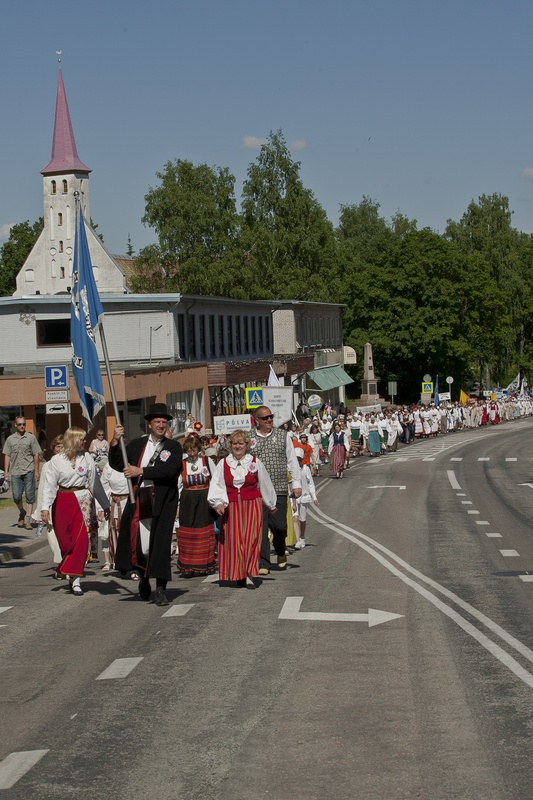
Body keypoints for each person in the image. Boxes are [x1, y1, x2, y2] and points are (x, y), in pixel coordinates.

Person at [109, 403, 183, 607]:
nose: (161, 425)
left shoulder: (173, 447)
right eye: (157, 422)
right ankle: (143, 578)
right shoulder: (136, 445)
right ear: (149, 424)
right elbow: (117, 463)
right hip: (140, 500)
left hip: (163, 502)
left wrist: (140, 471)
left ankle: (161, 588)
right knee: (141, 544)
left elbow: (169, 470)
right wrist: (115, 440)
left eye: (164, 422)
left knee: (160, 545)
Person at [41, 427, 110, 596]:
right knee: (65, 542)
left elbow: (95, 484)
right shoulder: (57, 460)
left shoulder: (86, 458)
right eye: (82, 439)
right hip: (63, 501)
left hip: (83, 501)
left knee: (81, 541)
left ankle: (77, 579)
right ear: (72, 440)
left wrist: (104, 505)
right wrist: (45, 507)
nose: (85, 442)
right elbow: (49, 485)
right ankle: (71, 574)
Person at [208, 430, 276, 588]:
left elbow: (264, 482)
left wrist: (271, 504)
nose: (238, 446)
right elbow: (216, 485)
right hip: (231, 507)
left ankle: (250, 574)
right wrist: (218, 503)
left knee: (251, 539)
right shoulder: (223, 463)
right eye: (235, 443)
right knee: (236, 541)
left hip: (252, 504)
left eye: (241, 443)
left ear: (247, 445)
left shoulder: (254, 462)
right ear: (230, 445)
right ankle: (239, 572)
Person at [250, 406, 301, 574]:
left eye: (270, 417)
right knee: (261, 528)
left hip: (278, 488)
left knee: (279, 527)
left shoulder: (282, 436)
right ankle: (264, 563)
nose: (269, 420)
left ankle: (280, 550)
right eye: (265, 418)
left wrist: (296, 483)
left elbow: (292, 460)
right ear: (257, 420)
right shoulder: (249, 437)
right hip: (257, 489)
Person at [177, 435, 217, 578]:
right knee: (188, 532)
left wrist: (215, 501)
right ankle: (188, 566)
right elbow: (178, 486)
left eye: (194, 450)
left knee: (203, 531)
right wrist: (177, 506)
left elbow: (216, 480)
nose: (192, 454)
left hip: (204, 500)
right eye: (189, 451)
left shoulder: (207, 461)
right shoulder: (182, 464)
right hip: (188, 500)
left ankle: (203, 565)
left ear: (198, 450)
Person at [32, 434, 64, 576]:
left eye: (63, 446)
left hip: (65, 502)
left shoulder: (71, 463)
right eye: (58, 446)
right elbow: (44, 488)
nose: (60, 449)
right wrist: (39, 511)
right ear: (53, 449)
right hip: (50, 504)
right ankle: (60, 563)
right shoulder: (47, 466)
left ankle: (68, 562)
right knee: (52, 534)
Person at [3, 416, 42, 530]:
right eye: (19, 424)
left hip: (28, 470)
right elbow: (7, 455)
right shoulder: (10, 439)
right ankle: (22, 512)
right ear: (15, 425)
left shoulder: (31, 438)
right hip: (15, 472)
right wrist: (6, 472)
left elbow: (36, 454)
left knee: (30, 496)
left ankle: (28, 520)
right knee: (16, 496)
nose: (22, 426)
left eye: (23, 424)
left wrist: (36, 471)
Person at [293, 446, 320, 549]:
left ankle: (302, 536)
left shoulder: (305, 469)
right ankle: (298, 540)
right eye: (296, 459)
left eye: (299, 459)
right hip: (293, 498)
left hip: (304, 497)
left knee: (302, 519)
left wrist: (314, 498)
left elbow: (311, 484)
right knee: (295, 518)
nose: (298, 461)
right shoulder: (290, 469)